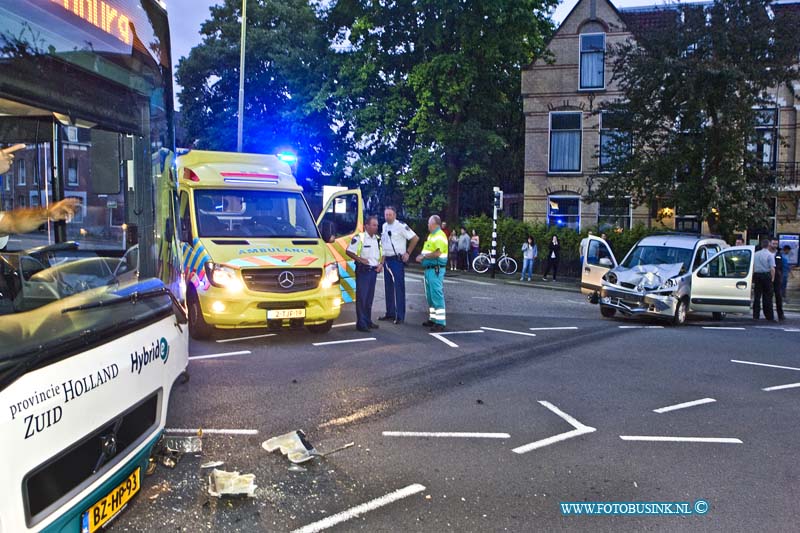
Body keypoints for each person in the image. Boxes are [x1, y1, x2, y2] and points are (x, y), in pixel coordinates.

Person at [379, 206, 419, 325]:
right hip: (387, 259)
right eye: (386, 214)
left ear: (395, 215)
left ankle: (400, 316)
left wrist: (408, 252)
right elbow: (384, 244)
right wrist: (382, 261)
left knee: (399, 288)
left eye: (390, 214)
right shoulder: (384, 226)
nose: (387, 217)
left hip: (397, 260)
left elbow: (415, 238)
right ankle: (390, 313)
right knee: (388, 287)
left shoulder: (401, 226)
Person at [346, 215, 384, 332]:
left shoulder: (378, 239)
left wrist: (381, 263)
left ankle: (367, 320)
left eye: (377, 225)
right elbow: (348, 251)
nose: (376, 227)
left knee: (369, 298)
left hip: (373, 271)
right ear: (366, 226)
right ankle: (361, 323)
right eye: (373, 225)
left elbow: (382, 253)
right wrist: (360, 259)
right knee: (362, 298)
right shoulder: (360, 238)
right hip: (363, 270)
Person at [416, 215, 448, 332]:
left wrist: (423, 256)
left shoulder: (439, 236)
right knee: (430, 296)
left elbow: (437, 252)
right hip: (430, 269)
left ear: (434, 224)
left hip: (436, 269)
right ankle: (433, 319)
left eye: (429, 223)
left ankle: (440, 322)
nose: (428, 225)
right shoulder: (432, 236)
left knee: (436, 294)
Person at [753, 238, 775, 321]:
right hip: (766, 276)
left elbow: (753, 266)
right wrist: (772, 278)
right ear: (768, 245)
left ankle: (756, 315)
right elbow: (772, 268)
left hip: (757, 275)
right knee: (767, 297)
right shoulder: (770, 255)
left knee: (757, 297)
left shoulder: (756, 254)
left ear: (761, 245)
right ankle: (769, 316)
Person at [770, 239, 785, 321]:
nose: (775, 245)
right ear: (770, 243)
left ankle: (780, 314)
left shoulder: (779, 253)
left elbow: (781, 265)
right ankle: (770, 315)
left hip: (777, 277)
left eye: (776, 243)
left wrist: (780, 274)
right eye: (773, 243)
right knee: (769, 296)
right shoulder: (768, 253)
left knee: (778, 296)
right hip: (768, 276)